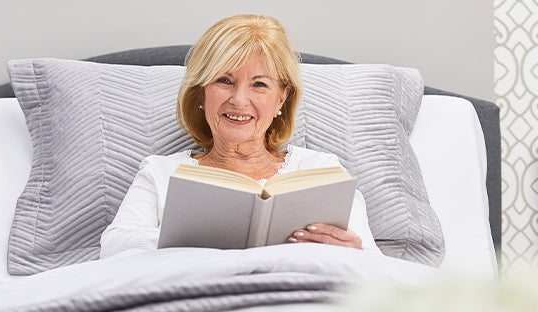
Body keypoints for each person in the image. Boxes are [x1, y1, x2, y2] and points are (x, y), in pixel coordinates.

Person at [99, 14, 380, 259]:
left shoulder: (322, 170)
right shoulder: (161, 172)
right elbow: (114, 246)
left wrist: (353, 250)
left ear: (281, 98)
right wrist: (201, 241)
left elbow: (372, 261)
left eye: (259, 84)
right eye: (224, 80)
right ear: (201, 93)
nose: (239, 99)